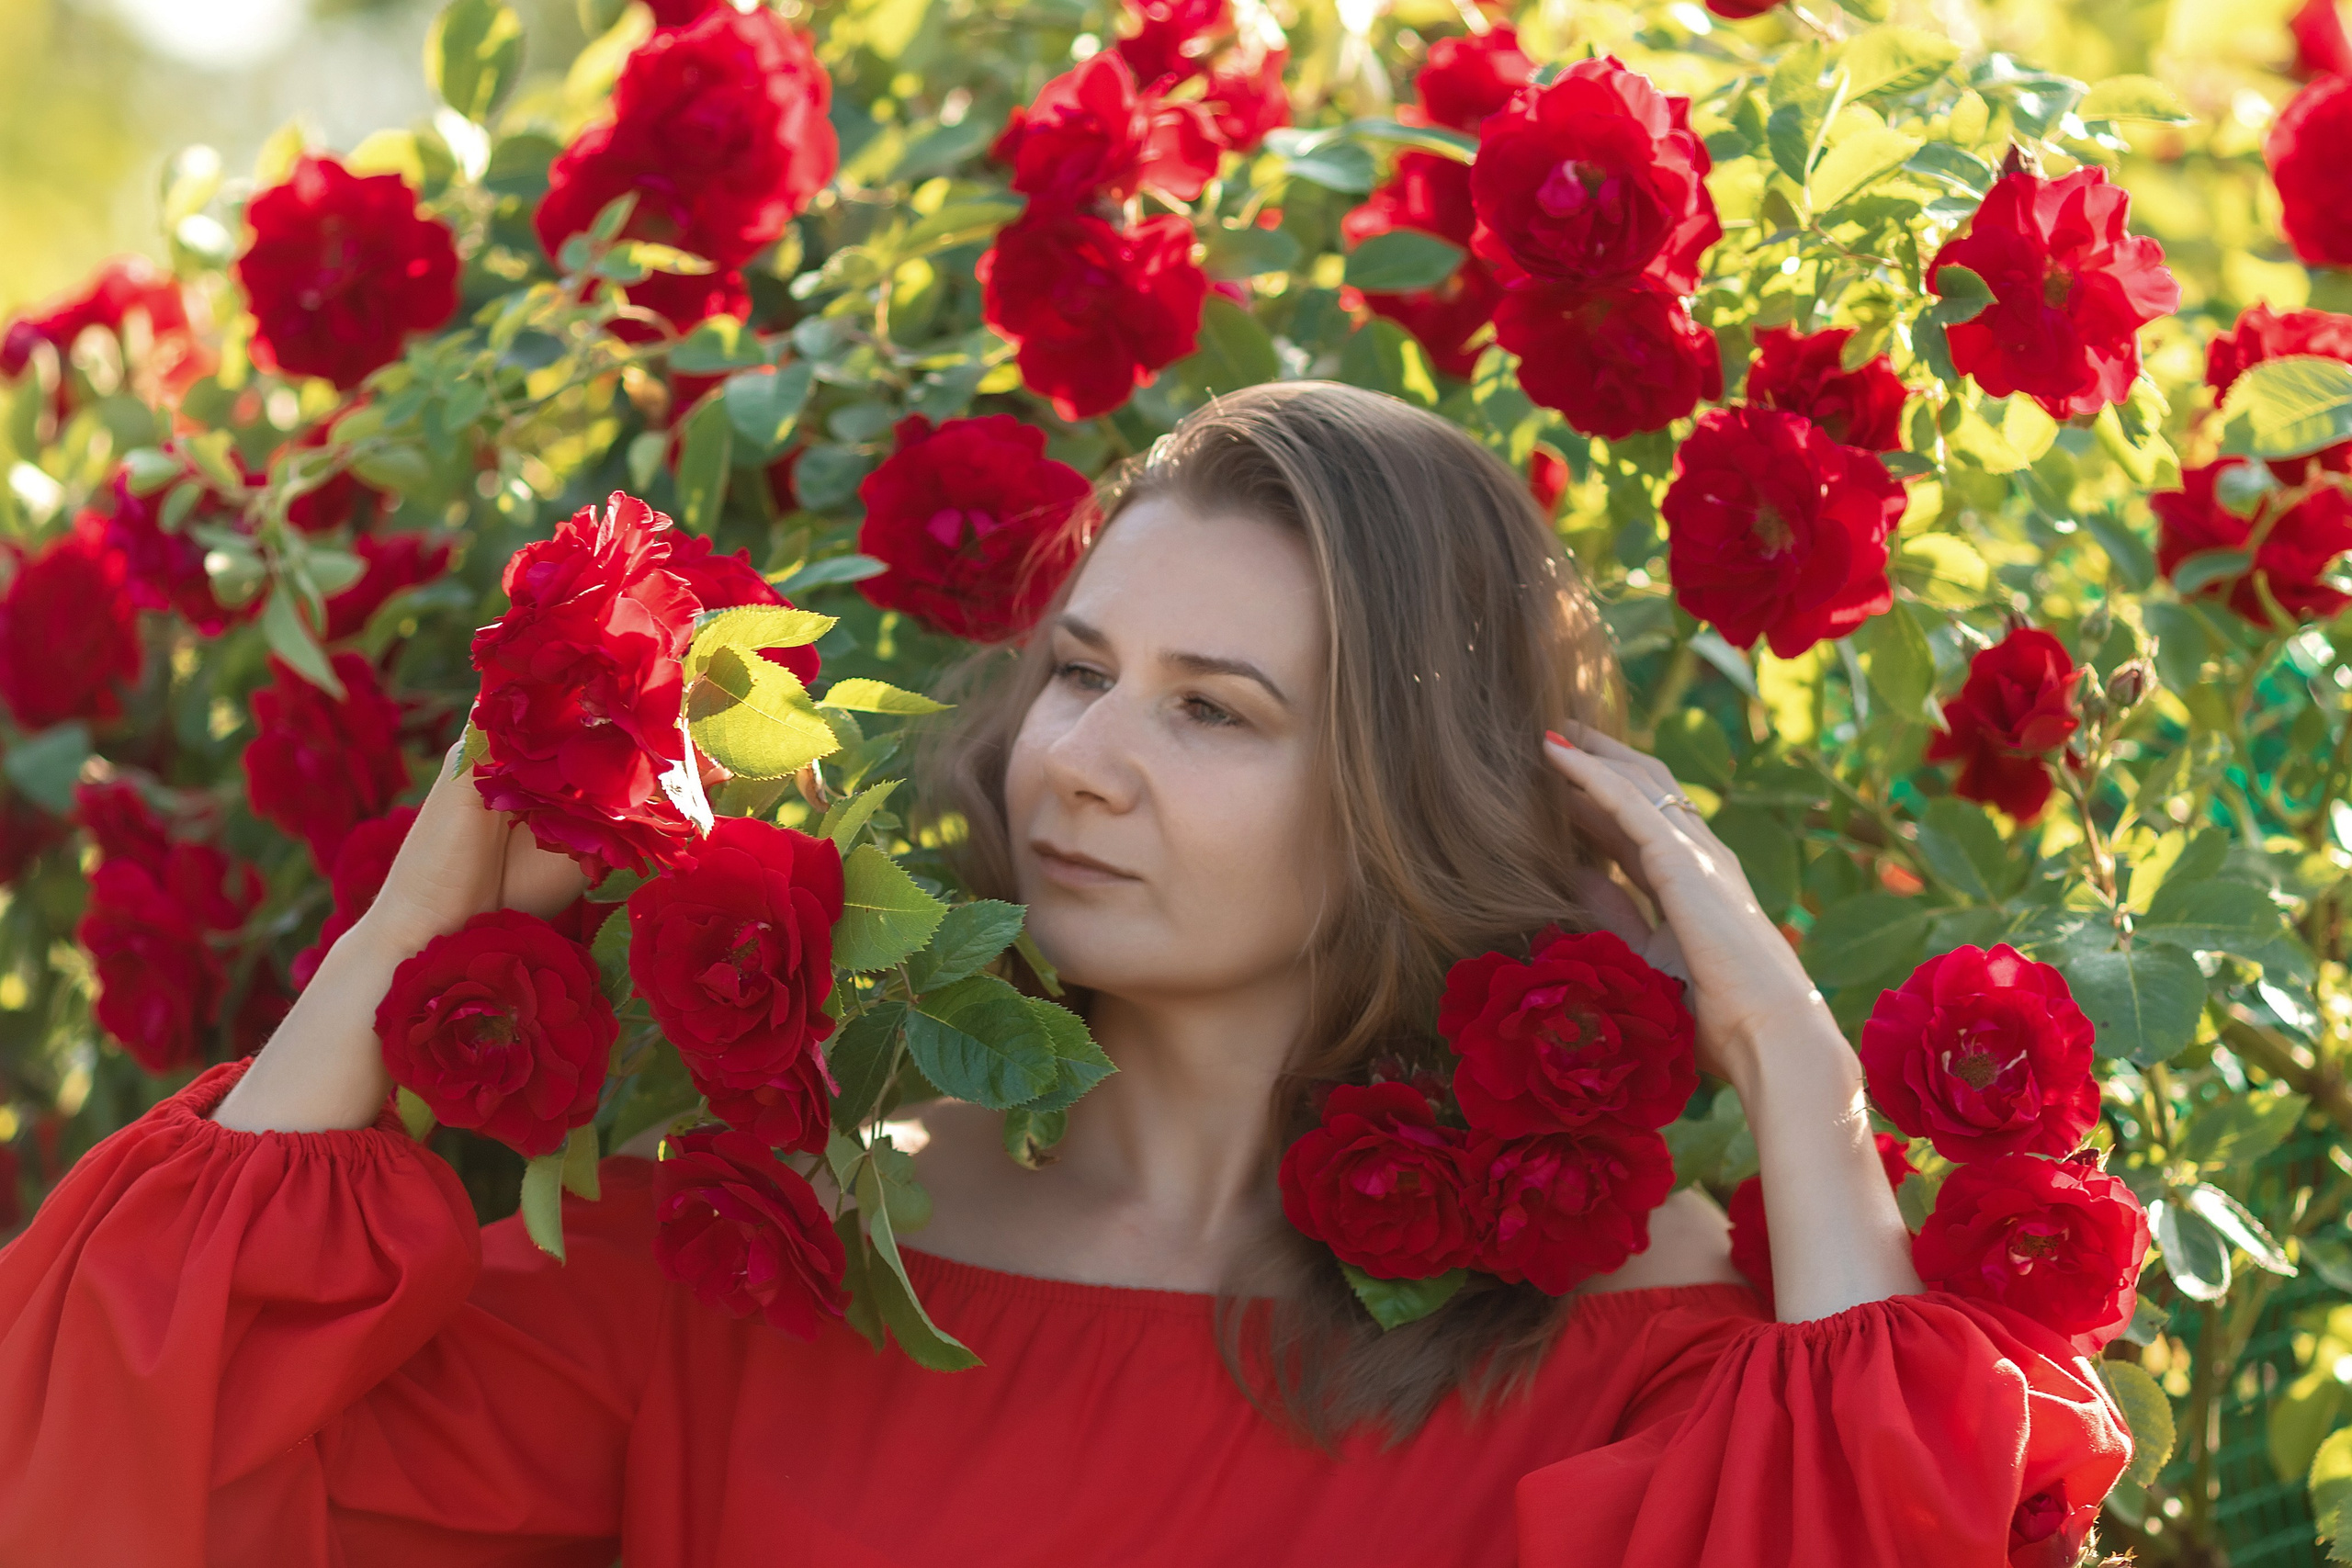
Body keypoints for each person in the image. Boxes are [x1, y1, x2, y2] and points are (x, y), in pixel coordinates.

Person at [0, 382, 2126, 1565]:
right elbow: (133, 1482)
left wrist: (1779, 1046)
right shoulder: (774, 1261)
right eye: (1080, 671)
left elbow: (1871, 1528)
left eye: (1214, 710)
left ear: (1408, 790)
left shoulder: (1619, 1348)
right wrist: (408, 932)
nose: (1081, 762)